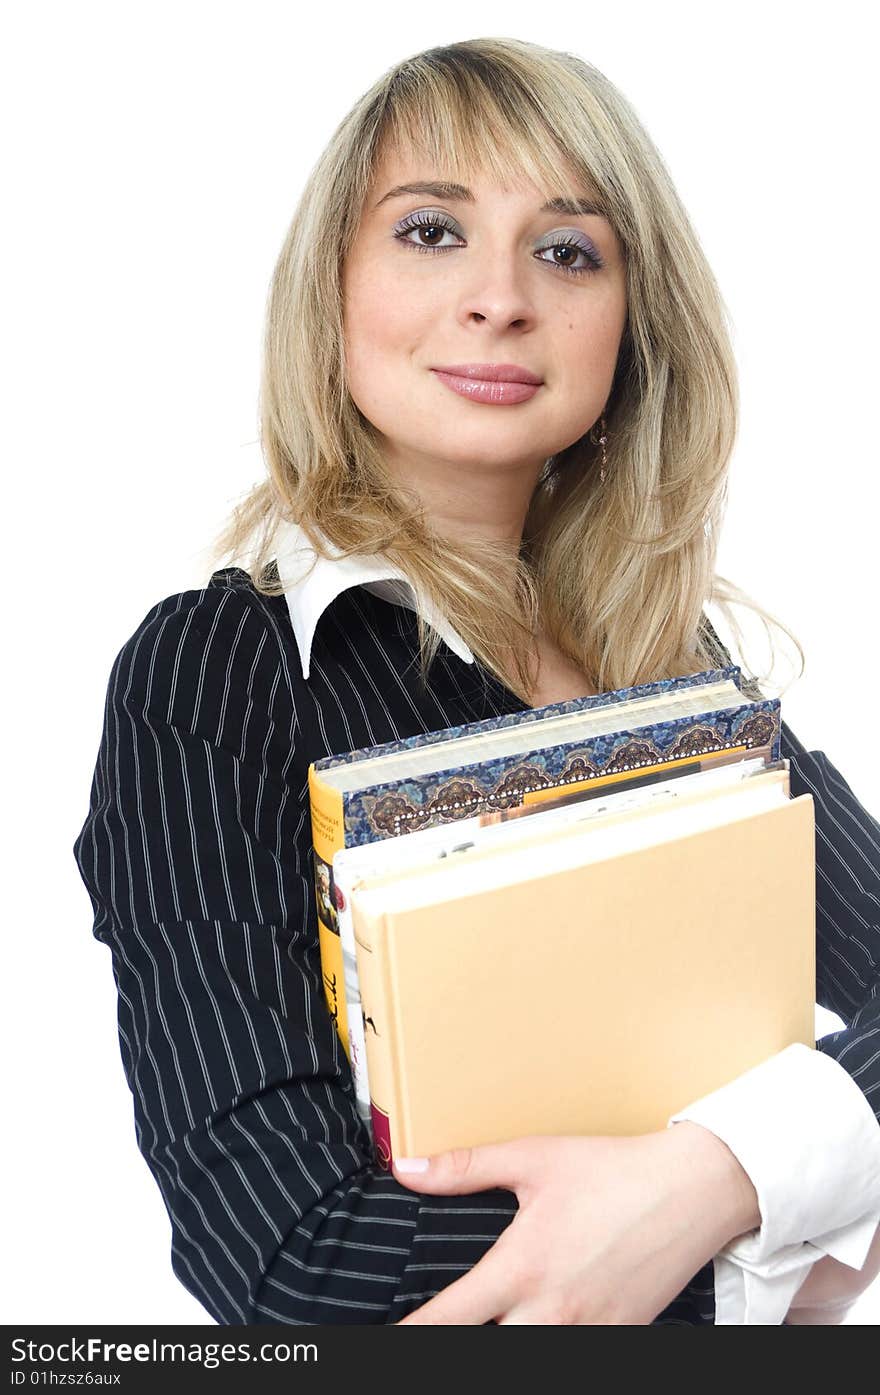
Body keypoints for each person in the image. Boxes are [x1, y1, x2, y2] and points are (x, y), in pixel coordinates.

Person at [72, 37, 880, 1325]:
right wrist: (788, 1235)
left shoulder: (670, 662)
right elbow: (284, 1268)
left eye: (569, 250)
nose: (500, 298)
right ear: (330, 286)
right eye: (432, 230)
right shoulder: (222, 670)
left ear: (634, 318)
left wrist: (717, 1180)